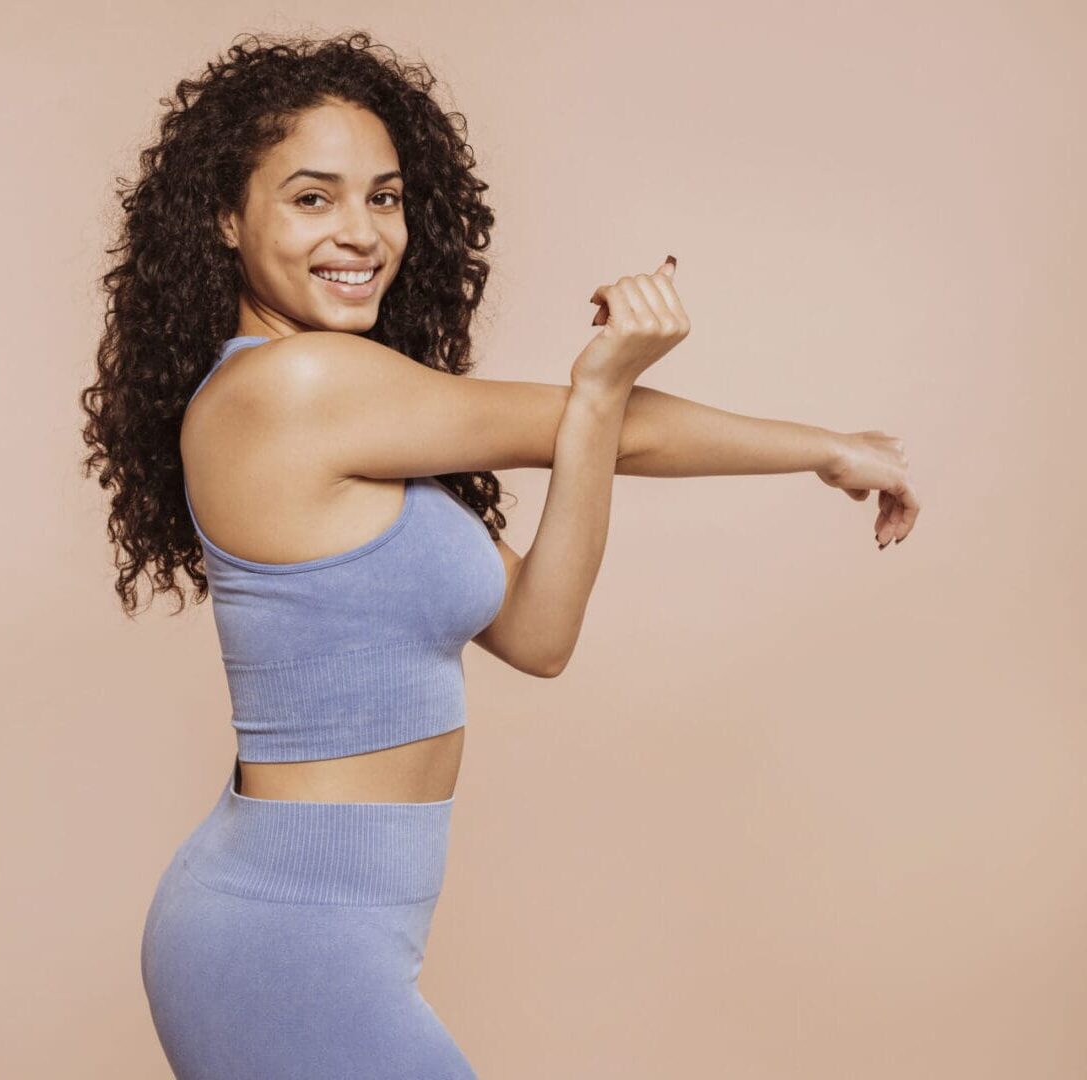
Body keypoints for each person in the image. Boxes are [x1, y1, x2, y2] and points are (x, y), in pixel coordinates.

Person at [78, 30, 919, 1080]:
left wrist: (603, 394)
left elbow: (538, 634)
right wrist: (825, 448)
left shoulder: (363, 407)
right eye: (311, 198)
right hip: (283, 938)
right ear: (225, 217)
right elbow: (608, 430)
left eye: (382, 197)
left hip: (339, 930)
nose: (360, 233)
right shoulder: (291, 391)